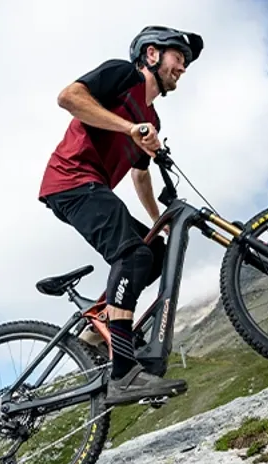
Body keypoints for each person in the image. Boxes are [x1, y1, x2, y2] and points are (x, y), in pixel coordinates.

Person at [37, 26, 204, 406]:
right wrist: (130, 127)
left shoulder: (153, 120)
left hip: (93, 188)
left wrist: (161, 219)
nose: (183, 67)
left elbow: (140, 174)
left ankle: (98, 333)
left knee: (155, 251)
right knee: (133, 255)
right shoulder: (122, 76)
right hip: (71, 181)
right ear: (151, 54)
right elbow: (69, 97)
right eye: (179, 56)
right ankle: (124, 373)